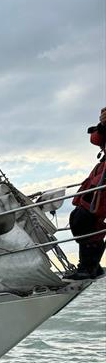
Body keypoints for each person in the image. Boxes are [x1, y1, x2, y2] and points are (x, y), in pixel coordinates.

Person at [66, 107, 106, 279]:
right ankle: (91, 267)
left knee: (85, 217)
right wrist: (103, 124)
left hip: (103, 176)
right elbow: (96, 139)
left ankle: (88, 268)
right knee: (80, 217)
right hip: (101, 172)